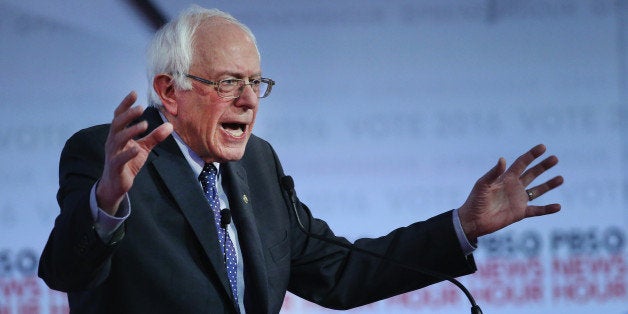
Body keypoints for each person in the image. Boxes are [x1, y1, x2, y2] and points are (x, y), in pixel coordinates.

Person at [38, 5, 563, 314]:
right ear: (168, 91)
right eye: (227, 83)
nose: (249, 100)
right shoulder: (108, 156)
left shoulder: (257, 164)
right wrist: (106, 202)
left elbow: (337, 270)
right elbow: (67, 272)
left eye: (255, 82)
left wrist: (462, 226)